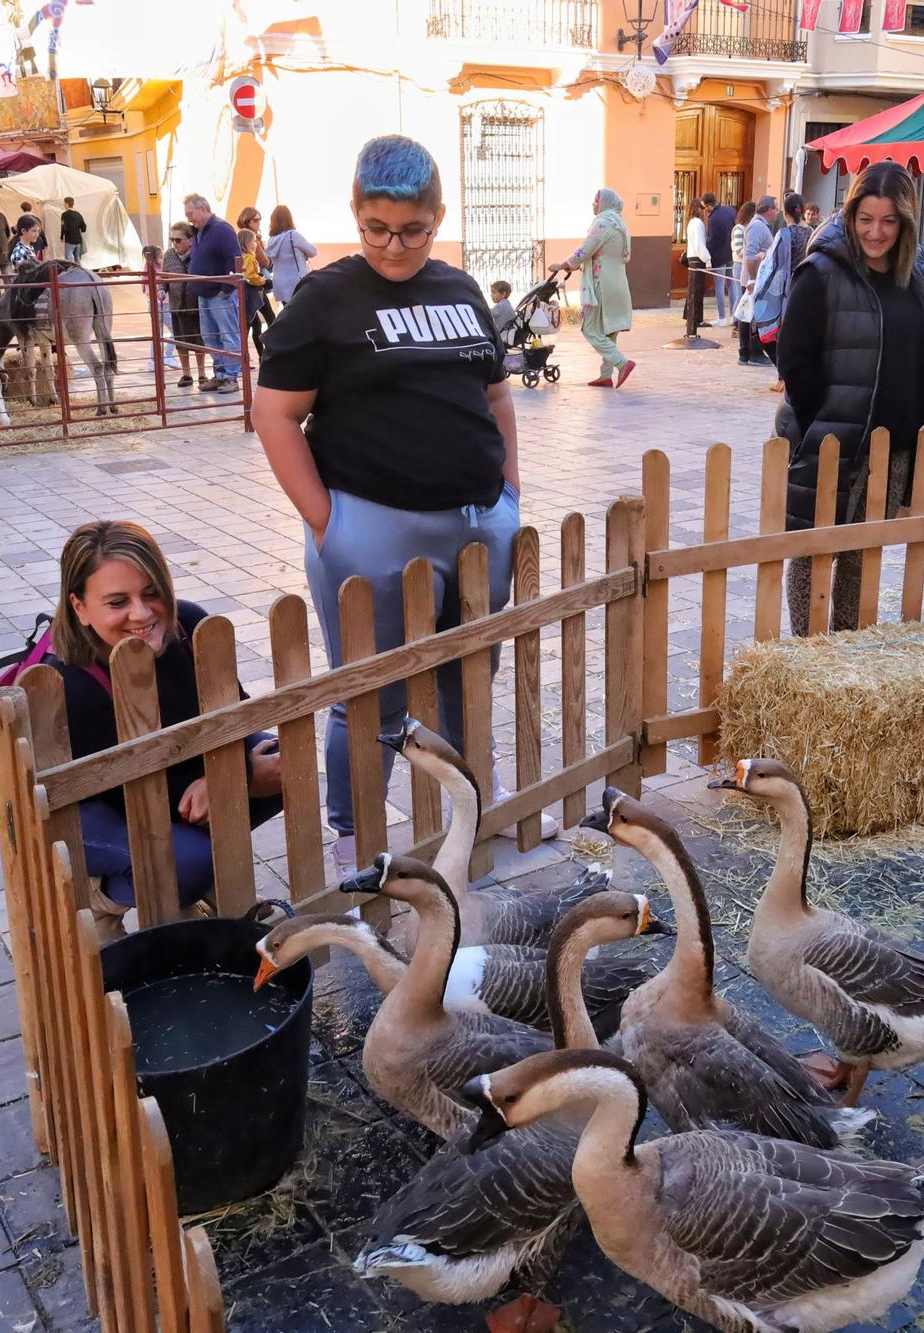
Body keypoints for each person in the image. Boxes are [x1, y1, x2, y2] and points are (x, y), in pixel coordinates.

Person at [254, 134, 549, 870]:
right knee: (369, 689)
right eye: (376, 229)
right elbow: (274, 413)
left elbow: (495, 395)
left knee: (468, 672)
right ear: (355, 215)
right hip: (370, 527)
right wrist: (331, 526)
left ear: (437, 216)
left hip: (479, 521)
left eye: (412, 230)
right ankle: (356, 830)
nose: (393, 247)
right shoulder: (326, 298)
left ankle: (470, 795)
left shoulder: (460, 289)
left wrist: (509, 490)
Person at [50, 520, 283, 919]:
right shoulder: (71, 683)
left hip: (169, 768)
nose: (140, 613)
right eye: (117, 602)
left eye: (152, 592)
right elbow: (120, 790)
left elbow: (238, 713)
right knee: (186, 862)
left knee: (285, 763)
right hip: (92, 805)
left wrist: (227, 775)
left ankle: (195, 875)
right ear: (80, 608)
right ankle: (106, 900)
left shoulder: (191, 626)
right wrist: (229, 781)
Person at [773, 163, 924, 634]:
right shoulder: (822, 271)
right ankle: (810, 658)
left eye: (888, 221)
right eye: (866, 218)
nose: (876, 231)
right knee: (812, 551)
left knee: (861, 555)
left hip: (894, 447)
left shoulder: (916, 276)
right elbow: (794, 360)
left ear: (905, 221)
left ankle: (848, 651)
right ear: (850, 215)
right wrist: (819, 426)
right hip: (832, 441)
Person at [549, 187, 635, 388]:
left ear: (604, 203)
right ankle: (605, 375)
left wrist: (563, 265)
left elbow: (586, 249)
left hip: (601, 283)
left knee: (589, 329)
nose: (593, 204)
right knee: (610, 329)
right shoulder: (621, 224)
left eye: (596, 201)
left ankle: (622, 363)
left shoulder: (603, 223)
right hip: (619, 283)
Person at [184, 193, 243, 393]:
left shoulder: (222, 229)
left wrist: (226, 288)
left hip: (220, 293)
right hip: (204, 293)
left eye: (190, 213)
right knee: (210, 336)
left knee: (228, 334)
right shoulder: (199, 232)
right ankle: (220, 374)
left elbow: (235, 259)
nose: (188, 218)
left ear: (203, 208)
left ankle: (231, 376)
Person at [752, 190, 811, 380]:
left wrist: (763, 258)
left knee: (771, 334)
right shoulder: (811, 232)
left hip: (787, 289)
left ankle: (785, 376)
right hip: (806, 286)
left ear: (785, 213)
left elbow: (773, 262)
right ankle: (787, 377)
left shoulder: (785, 233)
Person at [162, 221, 207, 388]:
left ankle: (202, 374)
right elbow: (164, 278)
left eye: (178, 240)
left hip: (195, 305)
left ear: (190, 240)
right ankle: (186, 374)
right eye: (172, 239)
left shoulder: (198, 254)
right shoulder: (169, 255)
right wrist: (161, 290)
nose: (174, 243)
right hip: (176, 305)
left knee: (198, 341)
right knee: (180, 341)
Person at [739, 195, 779, 365]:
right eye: (775, 209)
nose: (777, 212)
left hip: (756, 278)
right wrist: (753, 279)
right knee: (752, 316)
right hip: (754, 279)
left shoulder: (759, 226)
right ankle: (752, 352)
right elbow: (750, 255)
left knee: (749, 315)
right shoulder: (758, 227)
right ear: (769, 210)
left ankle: (747, 352)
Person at [265, 205, 318, 306]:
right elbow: (313, 252)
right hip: (296, 283)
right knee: (303, 314)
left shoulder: (271, 241)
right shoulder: (293, 235)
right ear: (289, 219)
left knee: (290, 313)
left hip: (280, 284)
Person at [238, 226, 275, 356]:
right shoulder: (248, 257)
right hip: (251, 294)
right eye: (254, 241)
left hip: (249, 294)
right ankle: (258, 356)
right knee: (253, 325)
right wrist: (262, 280)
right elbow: (249, 276)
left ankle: (251, 356)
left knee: (253, 325)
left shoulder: (244, 256)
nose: (256, 244)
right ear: (246, 243)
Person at [732, 200, 758, 363]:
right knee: (740, 299)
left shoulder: (750, 229)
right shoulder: (740, 229)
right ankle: (736, 323)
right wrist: (755, 254)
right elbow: (740, 249)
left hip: (745, 265)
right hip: (740, 265)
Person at [683, 195, 712, 337]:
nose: (704, 211)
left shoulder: (692, 223)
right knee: (696, 291)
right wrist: (707, 259)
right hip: (697, 258)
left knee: (696, 291)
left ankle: (695, 319)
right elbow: (700, 244)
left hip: (694, 257)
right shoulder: (697, 223)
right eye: (702, 208)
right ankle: (695, 320)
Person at [706, 192, 736, 325]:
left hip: (719, 256)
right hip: (731, 253)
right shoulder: (730, 211)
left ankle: (722, 317)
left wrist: (708, 253)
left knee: (719, 285)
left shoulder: (713, 218)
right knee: (732, 284)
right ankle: (734, 315)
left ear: (708, 206)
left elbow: (713, 240)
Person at [59, 196, 87, 264]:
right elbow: (84, 228)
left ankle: (69, 274)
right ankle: (79, 273)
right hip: (78, 241)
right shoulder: (78, 214)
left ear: (67, 204)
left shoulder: (64, 215)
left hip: (69, 240)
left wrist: (62, 236)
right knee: (77, 259)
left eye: (64, 203)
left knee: (68, 261)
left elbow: (64, 227)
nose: (64, 205)